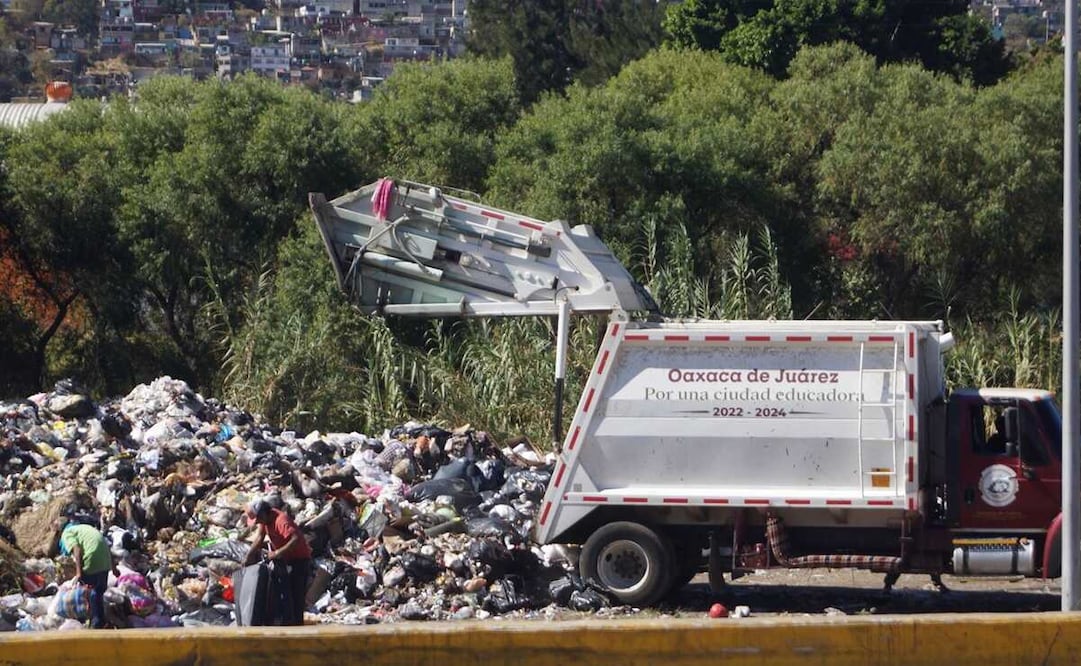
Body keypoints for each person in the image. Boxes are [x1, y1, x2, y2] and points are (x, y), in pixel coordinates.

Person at [243, 499, 312, 625]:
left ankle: (298, 629)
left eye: (258, 519)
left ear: (264, 514)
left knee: (296, 596)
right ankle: (286, 624)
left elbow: (295, 539)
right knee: (284, 594)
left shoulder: (281, 520)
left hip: (299, 560)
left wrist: (277, 553)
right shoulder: (265, 520)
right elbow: (259, 537)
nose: (258, 522)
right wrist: (248, 556)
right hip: (286, 559)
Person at [57, 518, 119, 629]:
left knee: (90, 591)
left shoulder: (67, 533)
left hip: (92, 558)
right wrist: (113, 568)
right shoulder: (84, 528)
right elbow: (104, 544)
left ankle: (95, 623)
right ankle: (101, 621)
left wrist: (79, 573)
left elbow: (77, 550)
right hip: (104, 558)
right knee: (99, 591)